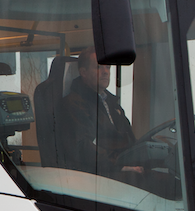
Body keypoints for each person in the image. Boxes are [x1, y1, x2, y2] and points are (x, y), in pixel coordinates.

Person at [60, 46, 142, 177]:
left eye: (108, 67)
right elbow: (84, 147)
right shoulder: (74, 104)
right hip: (101, 175)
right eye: (99, 67)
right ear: (83, 72)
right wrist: (120, 166)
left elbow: (128, 136)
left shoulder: (112, 102)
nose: (105, 72)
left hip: (124, 165)